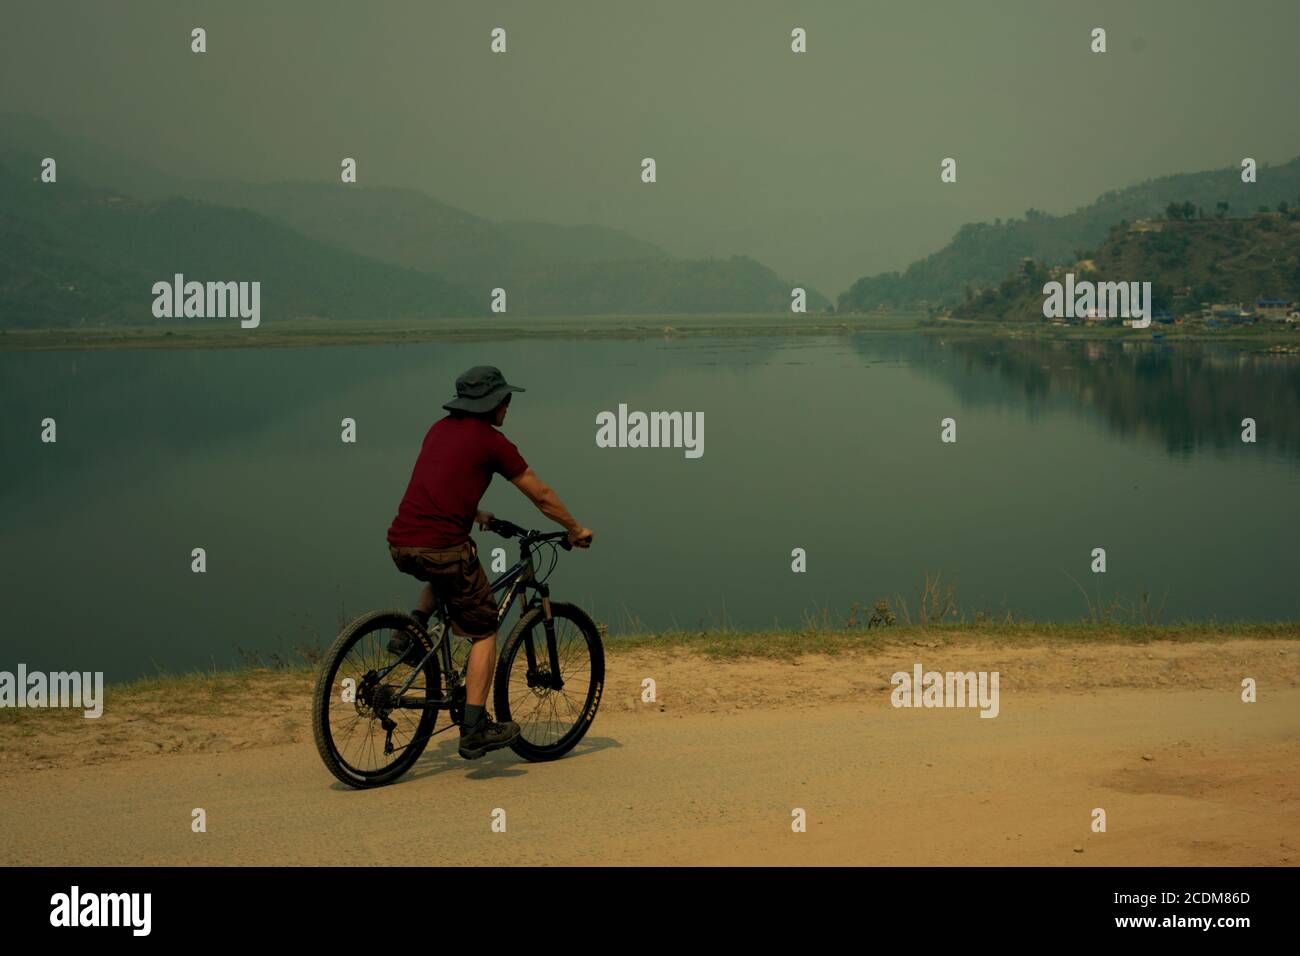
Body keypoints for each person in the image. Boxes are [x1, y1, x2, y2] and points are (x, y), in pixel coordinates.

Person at [386, 366, 594, 760]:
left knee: (450, 565)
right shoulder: (491, 442)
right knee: (484, 628)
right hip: (443, 548)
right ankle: (475, 727)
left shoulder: (438, 429)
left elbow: (439, 484)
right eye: (505, 400)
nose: (508, 407)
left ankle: (409, 633)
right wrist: (574, 528)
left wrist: (475, 513)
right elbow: (541, 494)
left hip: (401, 542)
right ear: (492, 404)